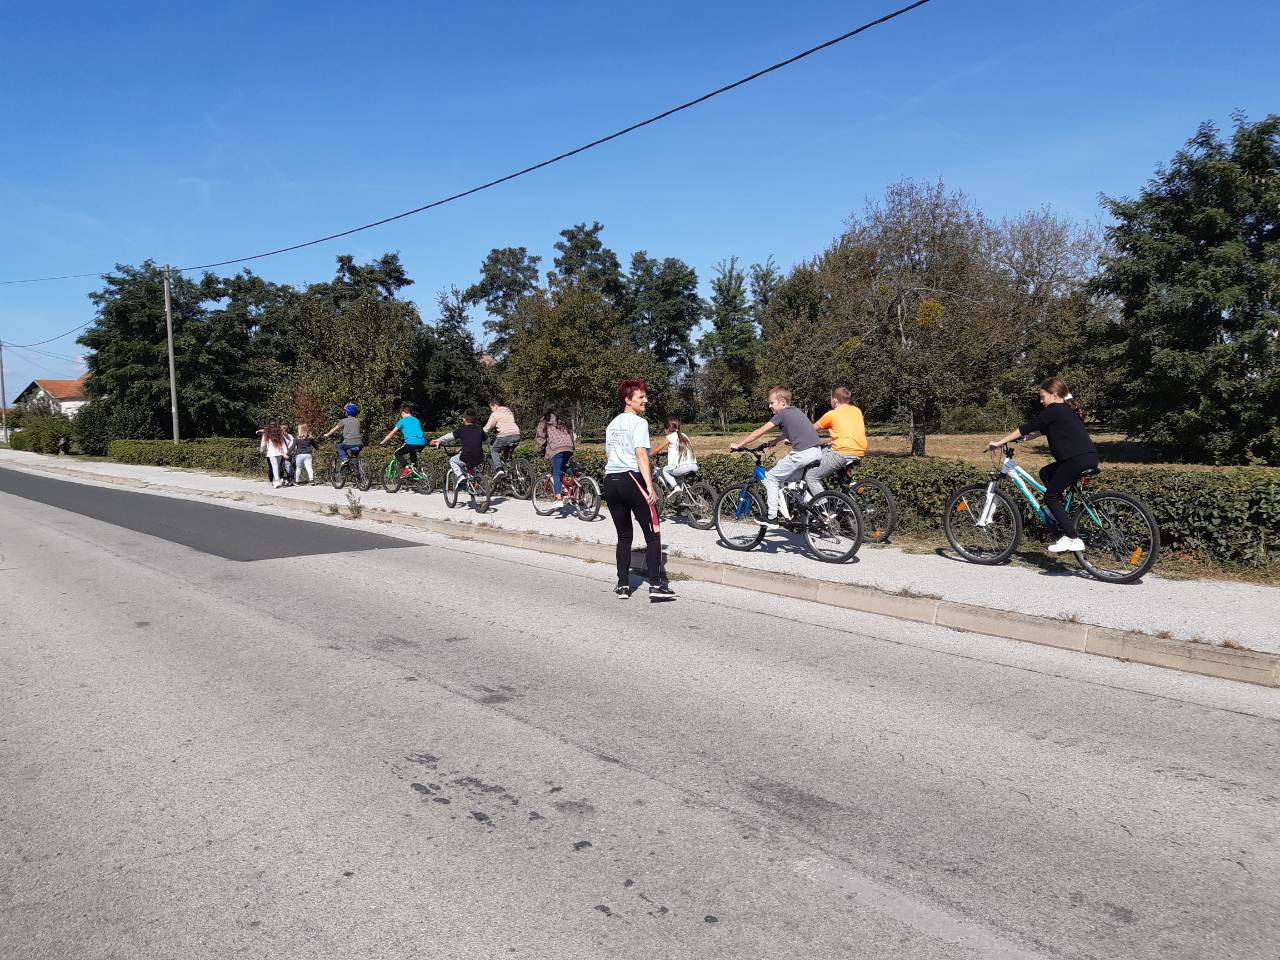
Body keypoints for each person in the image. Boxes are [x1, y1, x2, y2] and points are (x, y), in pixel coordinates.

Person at [987, 377, 1099, 553]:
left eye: (1043, 396)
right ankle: (1058, 513)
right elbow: (1039, 430)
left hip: (1074, 460)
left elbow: (1027, 427)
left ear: (1054, 395)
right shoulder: (1066, 410)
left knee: (1050, 497)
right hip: (1088, 457)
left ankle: (1072, 537)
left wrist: (1000, 442)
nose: (1041, 401)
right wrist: (1024, 438)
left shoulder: (1053, 410)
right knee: (1045, 473)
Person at [603, 379, 674, 602]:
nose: (645, 400)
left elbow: (608, 456)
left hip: (610, 480)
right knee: (653, 534)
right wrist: (650, 486)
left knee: (624, 536)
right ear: (627, 399)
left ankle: (623, 585)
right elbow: (641, 455)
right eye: (641, 397)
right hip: (632, 479)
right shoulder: (639, 423)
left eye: (645, 396)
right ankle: (655, 585)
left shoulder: (612, 424)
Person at [730, 387, 822, 528]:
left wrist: (739, 444)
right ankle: (819, 511)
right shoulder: (796, 411)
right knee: (793, 483)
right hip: (815, 451)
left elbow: (759, 432)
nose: (770, 406)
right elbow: (793, 431)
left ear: (782, 402)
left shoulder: (782, 414)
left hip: (802, 454)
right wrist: (775, 441)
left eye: (772, 403)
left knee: (771, 478)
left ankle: (772, 517)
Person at [805, 387, 868, 499]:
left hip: (842, 452)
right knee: (826, 450)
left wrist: (791, 438)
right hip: (859, 452)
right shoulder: (857, 410)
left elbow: (811, 428)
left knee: (811, 477)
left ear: (834, 400)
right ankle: (846, 491)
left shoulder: (832, 414)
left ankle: (825, 511)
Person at [535, 404, 575, 507]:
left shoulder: (545, 420)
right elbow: (570, 434)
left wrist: (540, 450)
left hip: (556, 449)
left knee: (556, 473)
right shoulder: (562, 420)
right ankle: (576, 475)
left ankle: (558, 499)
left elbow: (541, 437)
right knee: (561, 467)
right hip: (569, 447)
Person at [431, 410, 486, 483]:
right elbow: (487, 440)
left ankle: (460, 477)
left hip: (466, 456)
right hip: (479, 457)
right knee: (471, 462)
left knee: (452, 460)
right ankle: (473, 481)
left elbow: (449, 436)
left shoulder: (462, 429)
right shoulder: (480, 429)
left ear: (464, 419)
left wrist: (439, 440)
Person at [650, 417, 698, 493]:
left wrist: (648, 454)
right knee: (678, 477)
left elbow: (656, 450)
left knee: (665, 470)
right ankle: (682, 496)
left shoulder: (670, 437)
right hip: (694, 466)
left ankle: (676, 488)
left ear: (667, 429)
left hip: (682, 467)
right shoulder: (684, 435)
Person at [380, 402, 427, 478]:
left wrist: (383, 442)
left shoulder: (402, 421)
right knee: (412, 451)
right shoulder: (416, 420)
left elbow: (392, 433)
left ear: (403, 412)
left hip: (411, 442)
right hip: (422, 442)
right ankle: (414, 468)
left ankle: (407, 468)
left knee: (397, 453)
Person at [483, 398, 521, 476]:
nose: (492, 410)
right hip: (517, 434)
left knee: (494, 450)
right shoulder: (509, 412)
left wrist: (478, 434)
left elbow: (487, 429)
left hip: (505, 436)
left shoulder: (495, 413)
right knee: (507, 454)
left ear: (495, 406)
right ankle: (511, 475)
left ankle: (499, 469)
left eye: (491, 408)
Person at [260, 422, 290, 488]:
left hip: (271, 453)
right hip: (279, 452)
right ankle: (278, 480)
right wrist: (285, 453)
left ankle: (277, 481)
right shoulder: (279, 434)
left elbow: (263, 444)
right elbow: (283, 445)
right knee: (278, 467)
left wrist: (261, 450)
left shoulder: (266, 435)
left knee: (274, 467)